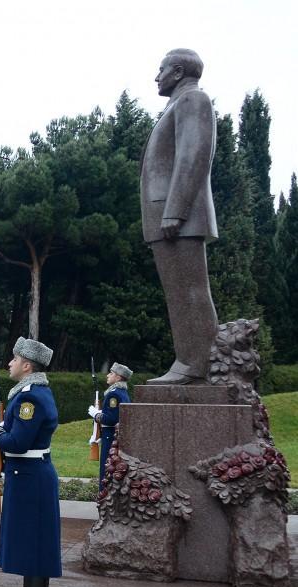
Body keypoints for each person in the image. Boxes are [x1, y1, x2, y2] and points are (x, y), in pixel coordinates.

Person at [141, 49, 219, 385]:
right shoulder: (176, 105)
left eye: (160, 70)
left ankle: (196, 364)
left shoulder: (193, 101)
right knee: (178, 292)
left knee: (189, 290)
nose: (156, 77)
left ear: (177, 71)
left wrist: (175, 210)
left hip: (177, 215)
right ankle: (187, 361)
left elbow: (193, 155)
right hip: (166, 214)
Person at [0, 337, 61, 587]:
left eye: (14, 359)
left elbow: (17, 443)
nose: (10, 363)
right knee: (33, 545)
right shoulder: (31, 392)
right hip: (28, 477)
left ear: (27, 365)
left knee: (36, 545)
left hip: (30, 479)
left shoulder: (30, 397)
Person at [88, 363, 133, 489]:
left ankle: (105, 496)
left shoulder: (114, 394)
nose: (108, 375)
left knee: (106, 468)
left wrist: (96, 414)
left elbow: (111, 419)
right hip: (113, 435)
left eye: (111, 373)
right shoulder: (122, 392)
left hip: (110, 436)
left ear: (118, 378)